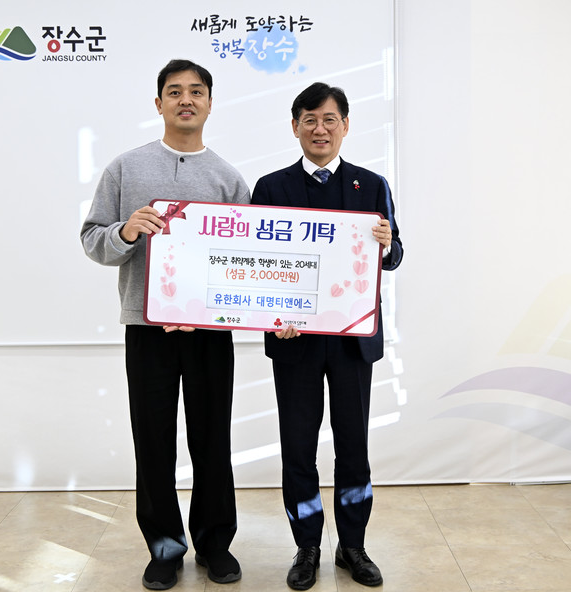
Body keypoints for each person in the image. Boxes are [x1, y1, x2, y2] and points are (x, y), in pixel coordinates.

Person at [81, 59, 249, 590]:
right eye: (174, 92)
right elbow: (92, 240)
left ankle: (215, 544)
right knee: (153, 441)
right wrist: (126, 231)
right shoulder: (125, 169)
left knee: (211, 439)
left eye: (196, 91)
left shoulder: (228, 178)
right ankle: (164, 547)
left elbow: (243, 262)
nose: (186, 100)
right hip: (146, 326)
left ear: (210, 103)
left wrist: (210, 309)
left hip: (210, 332)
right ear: (158, 104)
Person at [251, 82, 403, 590]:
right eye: (310, 120)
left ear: (345, 126)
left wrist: (386, 244)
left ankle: (352, 546)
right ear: (295, 126)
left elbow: (395, 255)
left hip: (352, 340)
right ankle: (307, 547)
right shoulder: (271, 188)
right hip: (293, 339)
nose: (320, 129)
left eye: (330, 119)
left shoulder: (372, 185)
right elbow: (256, 266)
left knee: (353, 446)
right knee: (298, 448)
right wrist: (273, 312)